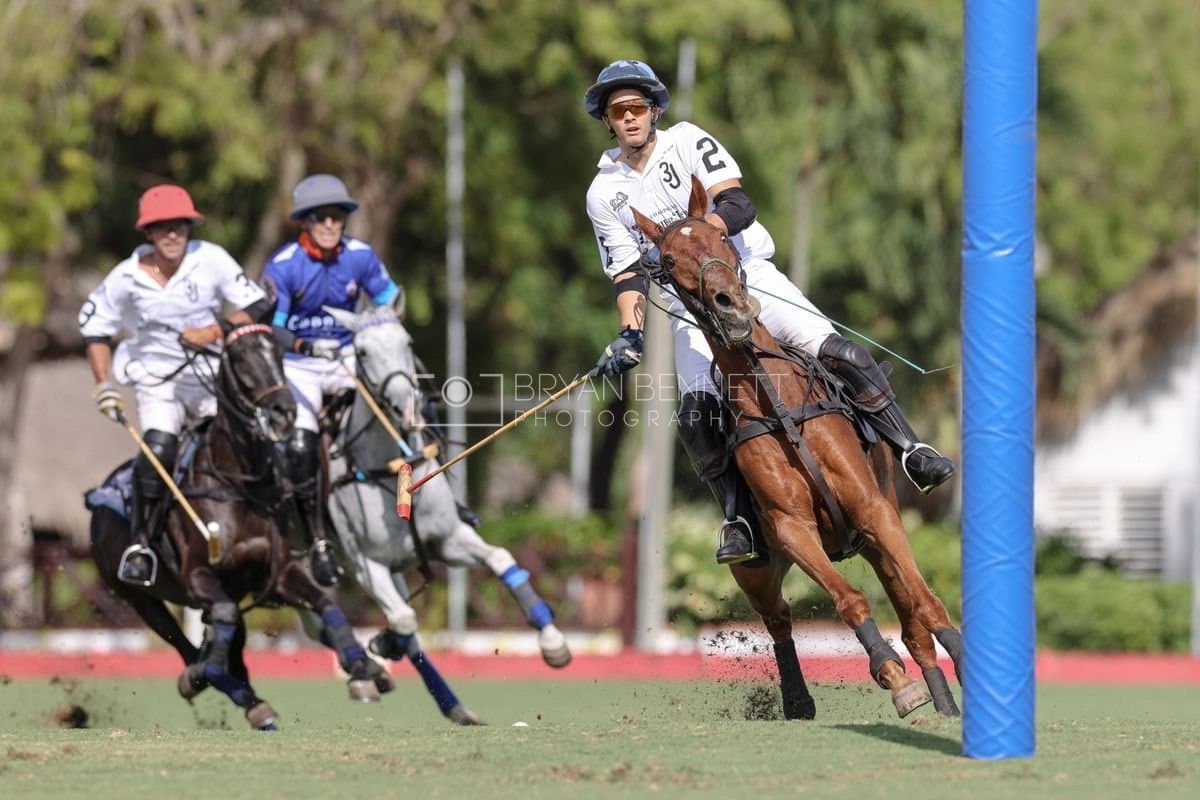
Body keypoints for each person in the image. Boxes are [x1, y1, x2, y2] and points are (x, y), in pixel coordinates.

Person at [583, 60, 954, 566]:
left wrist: (696, 240)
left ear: (654, 110)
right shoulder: (604, 193)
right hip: (686, 308)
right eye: (617, 110)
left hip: (746, 274)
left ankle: (911, 450)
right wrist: (630, 333)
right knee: (696, 416)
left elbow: (737, 203)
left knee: (838, 350)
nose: (629, 117)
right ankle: (737, 518)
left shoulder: (688, 140)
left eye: (637, 107)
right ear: (606, 120)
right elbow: (627, 274)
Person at [80, 184, 274, 586]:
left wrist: (214, 329)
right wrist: (103, 386)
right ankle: (142, 545)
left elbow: (258, 305)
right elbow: (95, 330)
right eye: (162, 227)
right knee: (159, 447)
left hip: (209, 376)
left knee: (260, 438)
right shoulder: (125, 278)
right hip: (158, 381)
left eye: (181, 226)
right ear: (148, 233)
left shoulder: (212, 260)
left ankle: (290, 532)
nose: (173, 234)